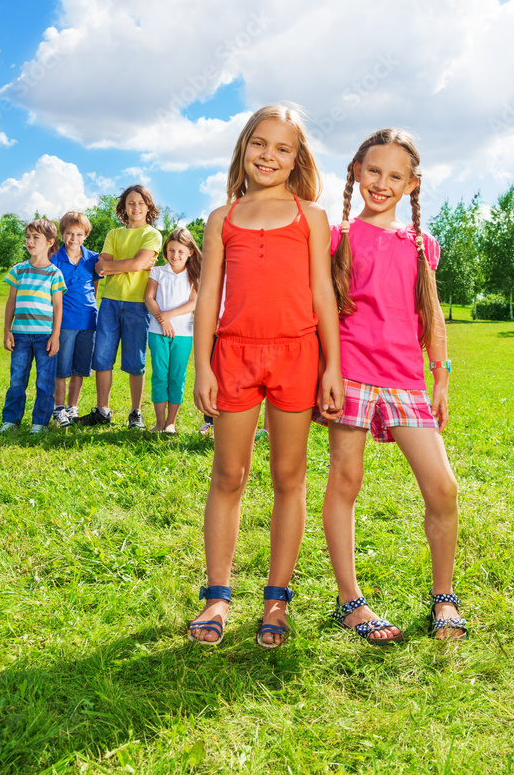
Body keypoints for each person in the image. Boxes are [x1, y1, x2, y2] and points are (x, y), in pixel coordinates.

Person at [190, 104, 344, 648]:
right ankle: (217, 596)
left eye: (283, 148)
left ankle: (276, 601)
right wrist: (202, 362)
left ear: (298, 157)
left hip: (297, 354)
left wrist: (332, 365)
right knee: (228, 475)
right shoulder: (221, 218)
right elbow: (208, 295)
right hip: (234, 354)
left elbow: (323, 294)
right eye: (260, 143)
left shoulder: (311, 216)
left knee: (288, 477)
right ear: (243, 147)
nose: (269, 156)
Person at [322, 128, 467, 642]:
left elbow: (431, 314)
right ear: (357, 172)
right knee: (346, 480)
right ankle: (350, 601)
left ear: (412, 184)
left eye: (395, 176)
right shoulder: (335, 237)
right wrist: (326, 373)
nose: (382, 183)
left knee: (443, 486)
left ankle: (444, 598)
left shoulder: (422, 244)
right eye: (373, 171)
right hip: (351, 374)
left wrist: (441, 375)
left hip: (405, 380)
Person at [79, 185, 161, 429]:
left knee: (135, 361)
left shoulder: (152, 234)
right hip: (110, 302)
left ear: (148, 206)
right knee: (102, 357)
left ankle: (135, 412)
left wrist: (130, 264)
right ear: (124, 208)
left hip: (138, 305)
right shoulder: (114, 234)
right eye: (130, 203)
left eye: (140, 203)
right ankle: (102, 410)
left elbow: (131, 265)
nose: (135, 207)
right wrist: (135, 264)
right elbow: (100, 267)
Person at [0, 218, 66, 435]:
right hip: (19, 335)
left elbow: (58, 306)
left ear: (49, 242)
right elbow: (11, 302)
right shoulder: (18, 270)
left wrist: (55, 336)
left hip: (44, 336)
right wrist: (7, 330)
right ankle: (11, 420)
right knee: (17, 379)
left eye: (35, 237)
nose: (30, 241)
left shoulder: (55, 273)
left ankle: (40, 423)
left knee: (45, 382)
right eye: (27, 237)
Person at [145, 227, 201, 433]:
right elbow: (149, 299)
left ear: (190, 253)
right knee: (160, 375)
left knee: (177, 376)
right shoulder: (158, 272)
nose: (175, 255)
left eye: (180, 251)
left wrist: (169, 316)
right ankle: (159, 422)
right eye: (171, 251)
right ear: (165, 251)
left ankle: (171, 423)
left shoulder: (193, 275)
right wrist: (162, 320)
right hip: (157, 332)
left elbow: (193, 303)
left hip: (183, 334)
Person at [49, 211, 101, 426]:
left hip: (88, 321)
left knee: (80, 368)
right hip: (64, 322)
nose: (74, 238)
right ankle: (58, 409)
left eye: (79, 234)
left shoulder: (93, 258)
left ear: (86, 235)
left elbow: (95, 287)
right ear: (62, 234)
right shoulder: (54, 258)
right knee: (62, 368)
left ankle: (72, 407)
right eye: (69, 233)